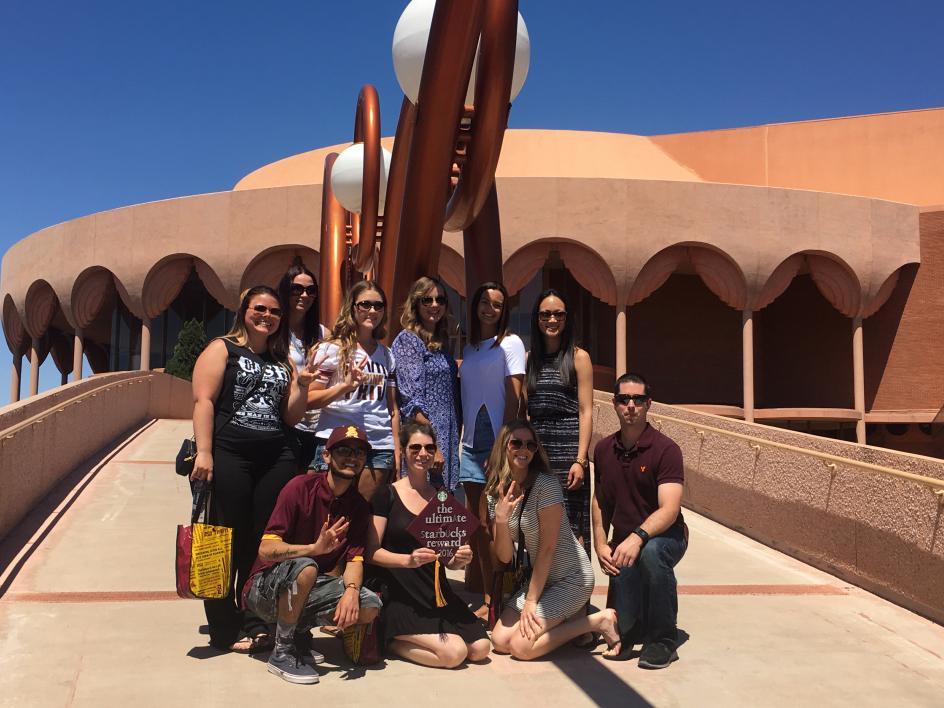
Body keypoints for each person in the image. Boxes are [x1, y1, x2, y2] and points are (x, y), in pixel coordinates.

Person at [190, 285, 316, 652]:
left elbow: (291, 416)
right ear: (244, 310)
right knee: (224, 540)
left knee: (259, 543)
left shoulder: (281, 361)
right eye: (260, 308)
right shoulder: (222, 348)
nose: (267, 316)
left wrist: (303, 388)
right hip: (229, 454)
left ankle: (252, 618)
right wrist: (205, 452)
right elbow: (203, 401)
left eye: (275, 312)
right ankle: (224, 628)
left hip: (275, 458)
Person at [243, 424, 383, 684]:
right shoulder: (299, 487)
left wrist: (351, 591)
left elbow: (355, 559)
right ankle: (281, 652)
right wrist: (313, 549)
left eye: (359, 452)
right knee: (307, 565)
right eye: (343, 450)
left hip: (307, 585)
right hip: (263, 589)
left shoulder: (359, 507)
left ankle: (297, 634)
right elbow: (265, 549)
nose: (352, 457)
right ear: (326, 456)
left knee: (369, 605)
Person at [486, 420, 619, 660]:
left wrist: (531, 601)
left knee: (520, 648)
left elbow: (548, 548)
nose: (523, 450)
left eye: (530, 445)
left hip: (572, 577)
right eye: (516, 443)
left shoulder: (545, 485)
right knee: (499, 641)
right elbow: (505, 556)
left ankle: (598, 621)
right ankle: (569, 615)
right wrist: (502, 519)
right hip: (543, 579)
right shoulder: (495, 492)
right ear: (503, 446)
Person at [367, 419, 490, 668]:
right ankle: (389, 639)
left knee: (480, 649)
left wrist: (457, 560)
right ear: (403, 451)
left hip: (435, 592)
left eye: (429, 448)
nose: (423, 454)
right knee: (453, 654)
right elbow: (371, 553)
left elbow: (447, 558)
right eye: (415, 448)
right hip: (401, 594)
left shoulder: (442, 496)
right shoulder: (386, 494)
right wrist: (407, 560)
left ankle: (410, 638)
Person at [591, 373, 687, 669]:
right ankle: (631, 631)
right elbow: (600, 501)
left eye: (638, 400)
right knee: (627, 629)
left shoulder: (666, 449)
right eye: (624, 399)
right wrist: (599, 543)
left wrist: (637, 537)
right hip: (625, 542)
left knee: (651, 553)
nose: (630, 405)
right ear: (615, 404)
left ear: (648, 405)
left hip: (667, 536)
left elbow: (669, 509)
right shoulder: (604, 449)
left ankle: (663, 641)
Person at [458, 281, 526, 612]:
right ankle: (485, 587)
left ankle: (493, 596)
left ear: (504, 311)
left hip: (495, 445)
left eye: (497, 304)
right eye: (484, 301)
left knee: (491, 522)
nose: (490, 308)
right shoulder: (470, 348)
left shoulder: (510, 344)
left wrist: (503, 451)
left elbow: (514, 399)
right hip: (469, 445)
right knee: (475, 523)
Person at [308, 281, 400, 501]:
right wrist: (345, 386)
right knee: (328, 512)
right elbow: (310, 399)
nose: (372, 310)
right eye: (365, 304)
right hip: (336, 441)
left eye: (378, 306)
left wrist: (397, 449)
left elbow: (391, 408)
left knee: (363, 515)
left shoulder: (387, 355)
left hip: (378, 444)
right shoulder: (331, 349)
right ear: (352, 307)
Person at [525, 288, 594, 556]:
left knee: (571, 523)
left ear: (566, 319)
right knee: (540, 521)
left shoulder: (579, 357)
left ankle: (576, 593)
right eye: (545, 314)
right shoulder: (531, 360)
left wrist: (580, 459)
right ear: (537, 318)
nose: (552, 320)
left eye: (558, 314)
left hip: (569, 453)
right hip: (539, 452)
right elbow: (527, 412)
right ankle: (545, 591)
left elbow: (586, 411)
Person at [392, 276, 461, 490]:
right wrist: (433, 447)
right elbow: (413, 403)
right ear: (416, 303)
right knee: (420, 507)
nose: (434, 305)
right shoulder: (409, 340)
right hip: (424, 441)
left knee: (440, 513)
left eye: (440, 300)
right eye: (427, 300)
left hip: (446, 436)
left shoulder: (440, 341)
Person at [278, 263, 329, 473]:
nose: (304, 295)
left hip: (316, 427)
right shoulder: (275, 330)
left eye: (311, 290)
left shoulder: (322, 333)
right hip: (285, 424)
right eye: (297, 289)